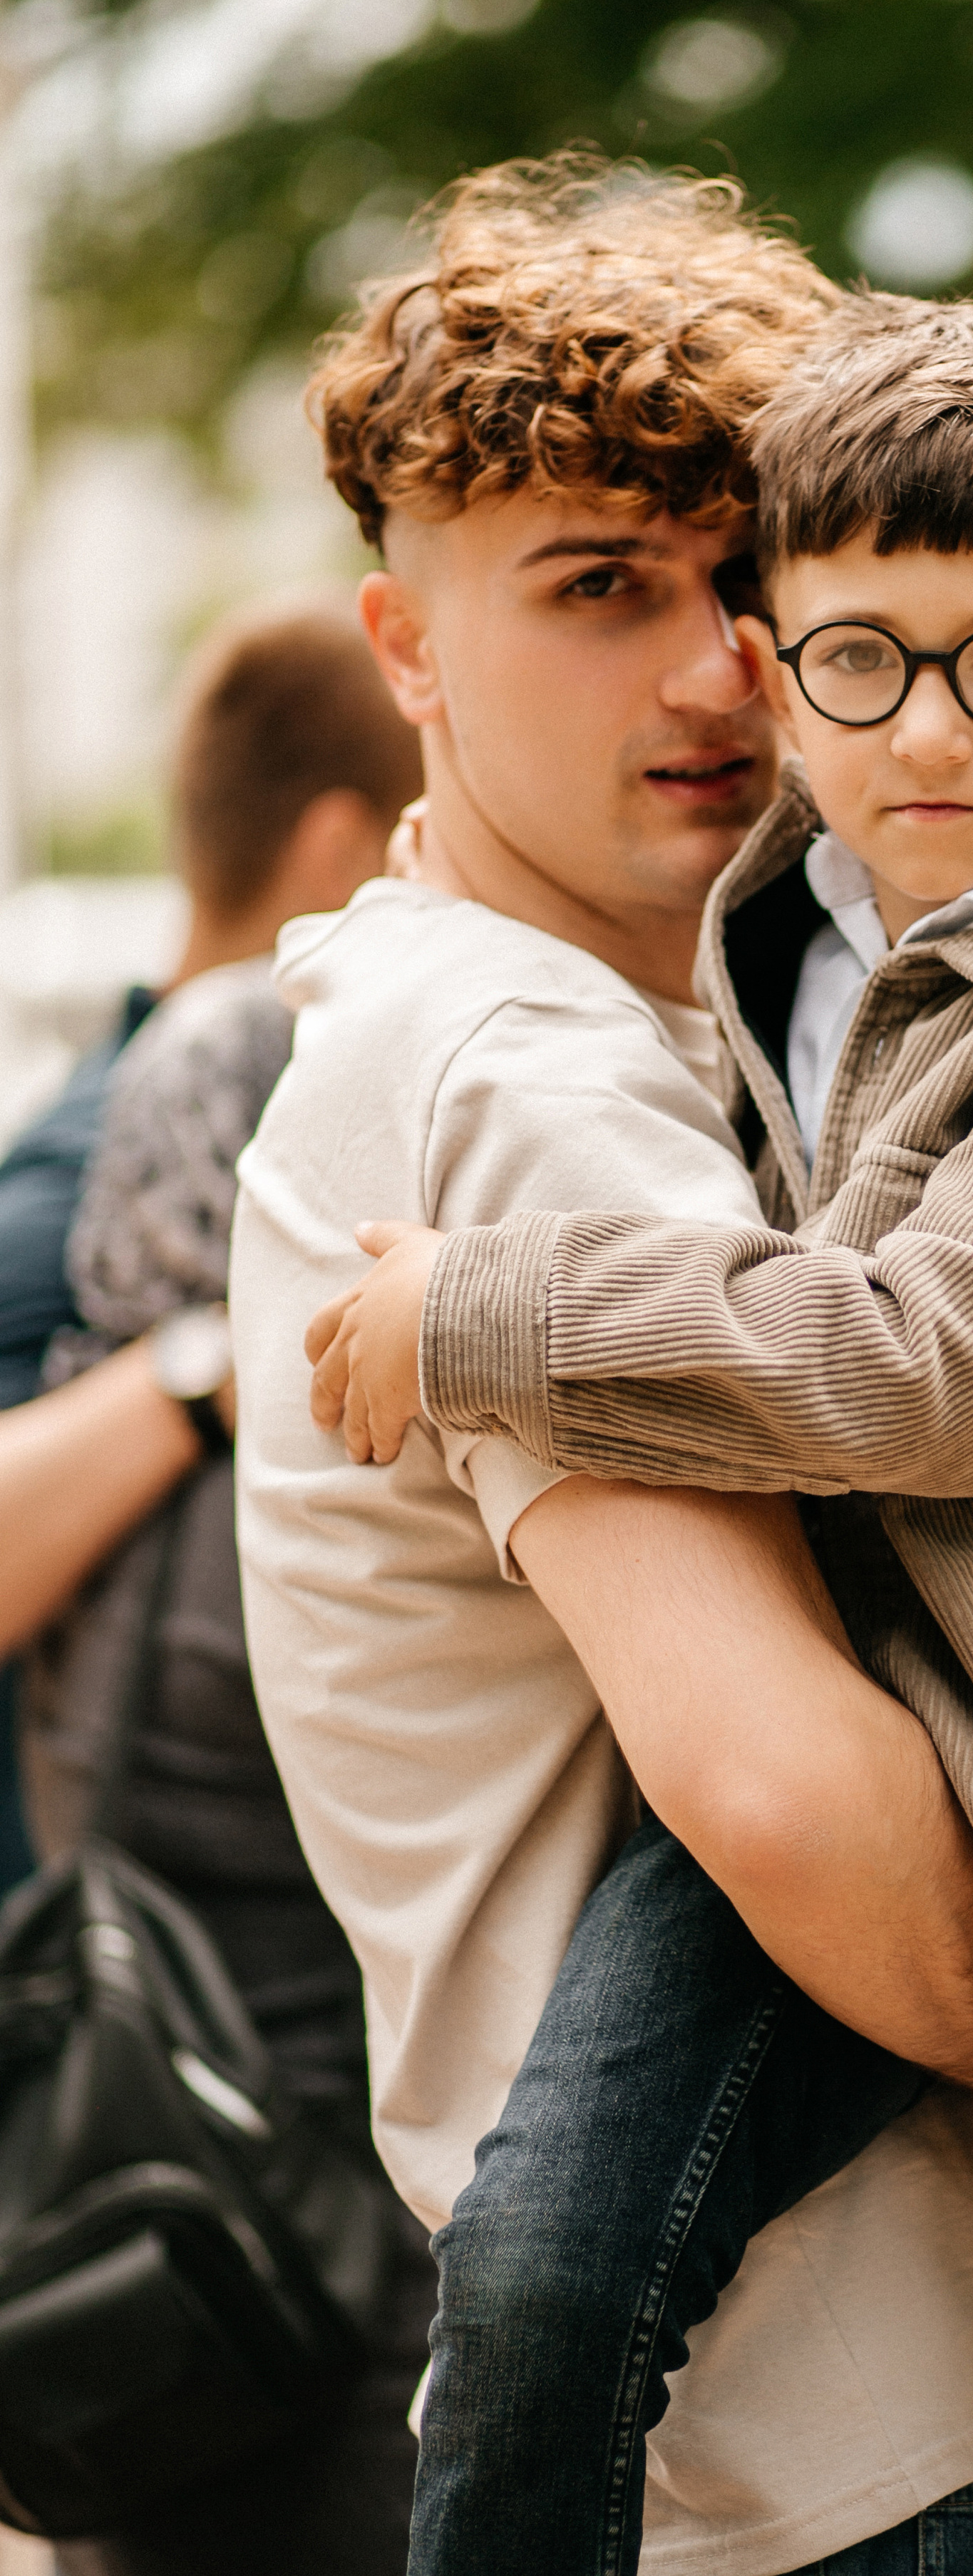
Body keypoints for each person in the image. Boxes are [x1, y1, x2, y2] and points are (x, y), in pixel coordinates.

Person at [232, 157, 973, 2576]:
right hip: (854, 2423)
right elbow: (803, 1802)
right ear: (409, 648)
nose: (720, 682)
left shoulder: (789, 995)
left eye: (744, 591)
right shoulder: (528, 1073)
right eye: (598, 592)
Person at [0, 597, 431, 2576]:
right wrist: (201, 1371)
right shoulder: (85, 1188)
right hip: (151, 2100)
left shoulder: (119, 1126)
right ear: (343, 856)